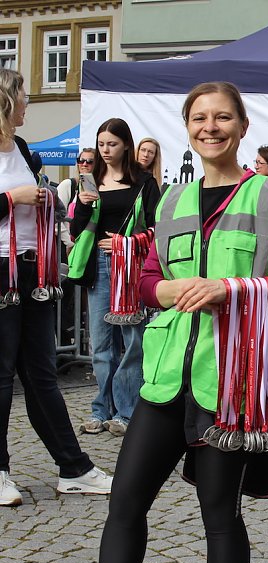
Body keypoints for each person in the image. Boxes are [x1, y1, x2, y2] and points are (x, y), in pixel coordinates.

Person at [98, 81, 268, 563]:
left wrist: (225, 289)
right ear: (187, 128)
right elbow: (150, 280)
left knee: (219, 516)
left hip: (233, 381)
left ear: (242, 126)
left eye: (222, 118)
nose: (210, 128)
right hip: (167, 378)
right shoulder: (171, 199)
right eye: (199, 118)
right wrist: (170, 291)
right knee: (124, 503)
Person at [0, 68, 113, 507]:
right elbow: (12, 199)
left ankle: (74, 468)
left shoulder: (24, 149)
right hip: (1, 270)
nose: (29, 103)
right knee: (2, 378)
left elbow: (39, 194)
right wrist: (12, 199)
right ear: (7, 101)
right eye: (24, 97)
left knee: (42, 376)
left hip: (34, 268)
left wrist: (46, 198)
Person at [68, 118, 160, 437]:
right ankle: (100, 409)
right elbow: (77, 231)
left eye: (113, 144)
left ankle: (126, 410)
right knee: (101, 342)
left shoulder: (144, 182)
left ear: (126, 146)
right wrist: (81, 205)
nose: (106, 150)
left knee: (133, 341)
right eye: (102, 143)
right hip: (99, 266)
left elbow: (158, 229)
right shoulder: (90, 181)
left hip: (132, 267)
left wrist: (129, 243)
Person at [57, 147, 96, 250]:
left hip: (90, 244)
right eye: (81, 161)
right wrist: (69, 243)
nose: (84, 164)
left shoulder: (101, 188)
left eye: (90, 161)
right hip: (68, 245)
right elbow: (56, 216)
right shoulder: (69, 185)